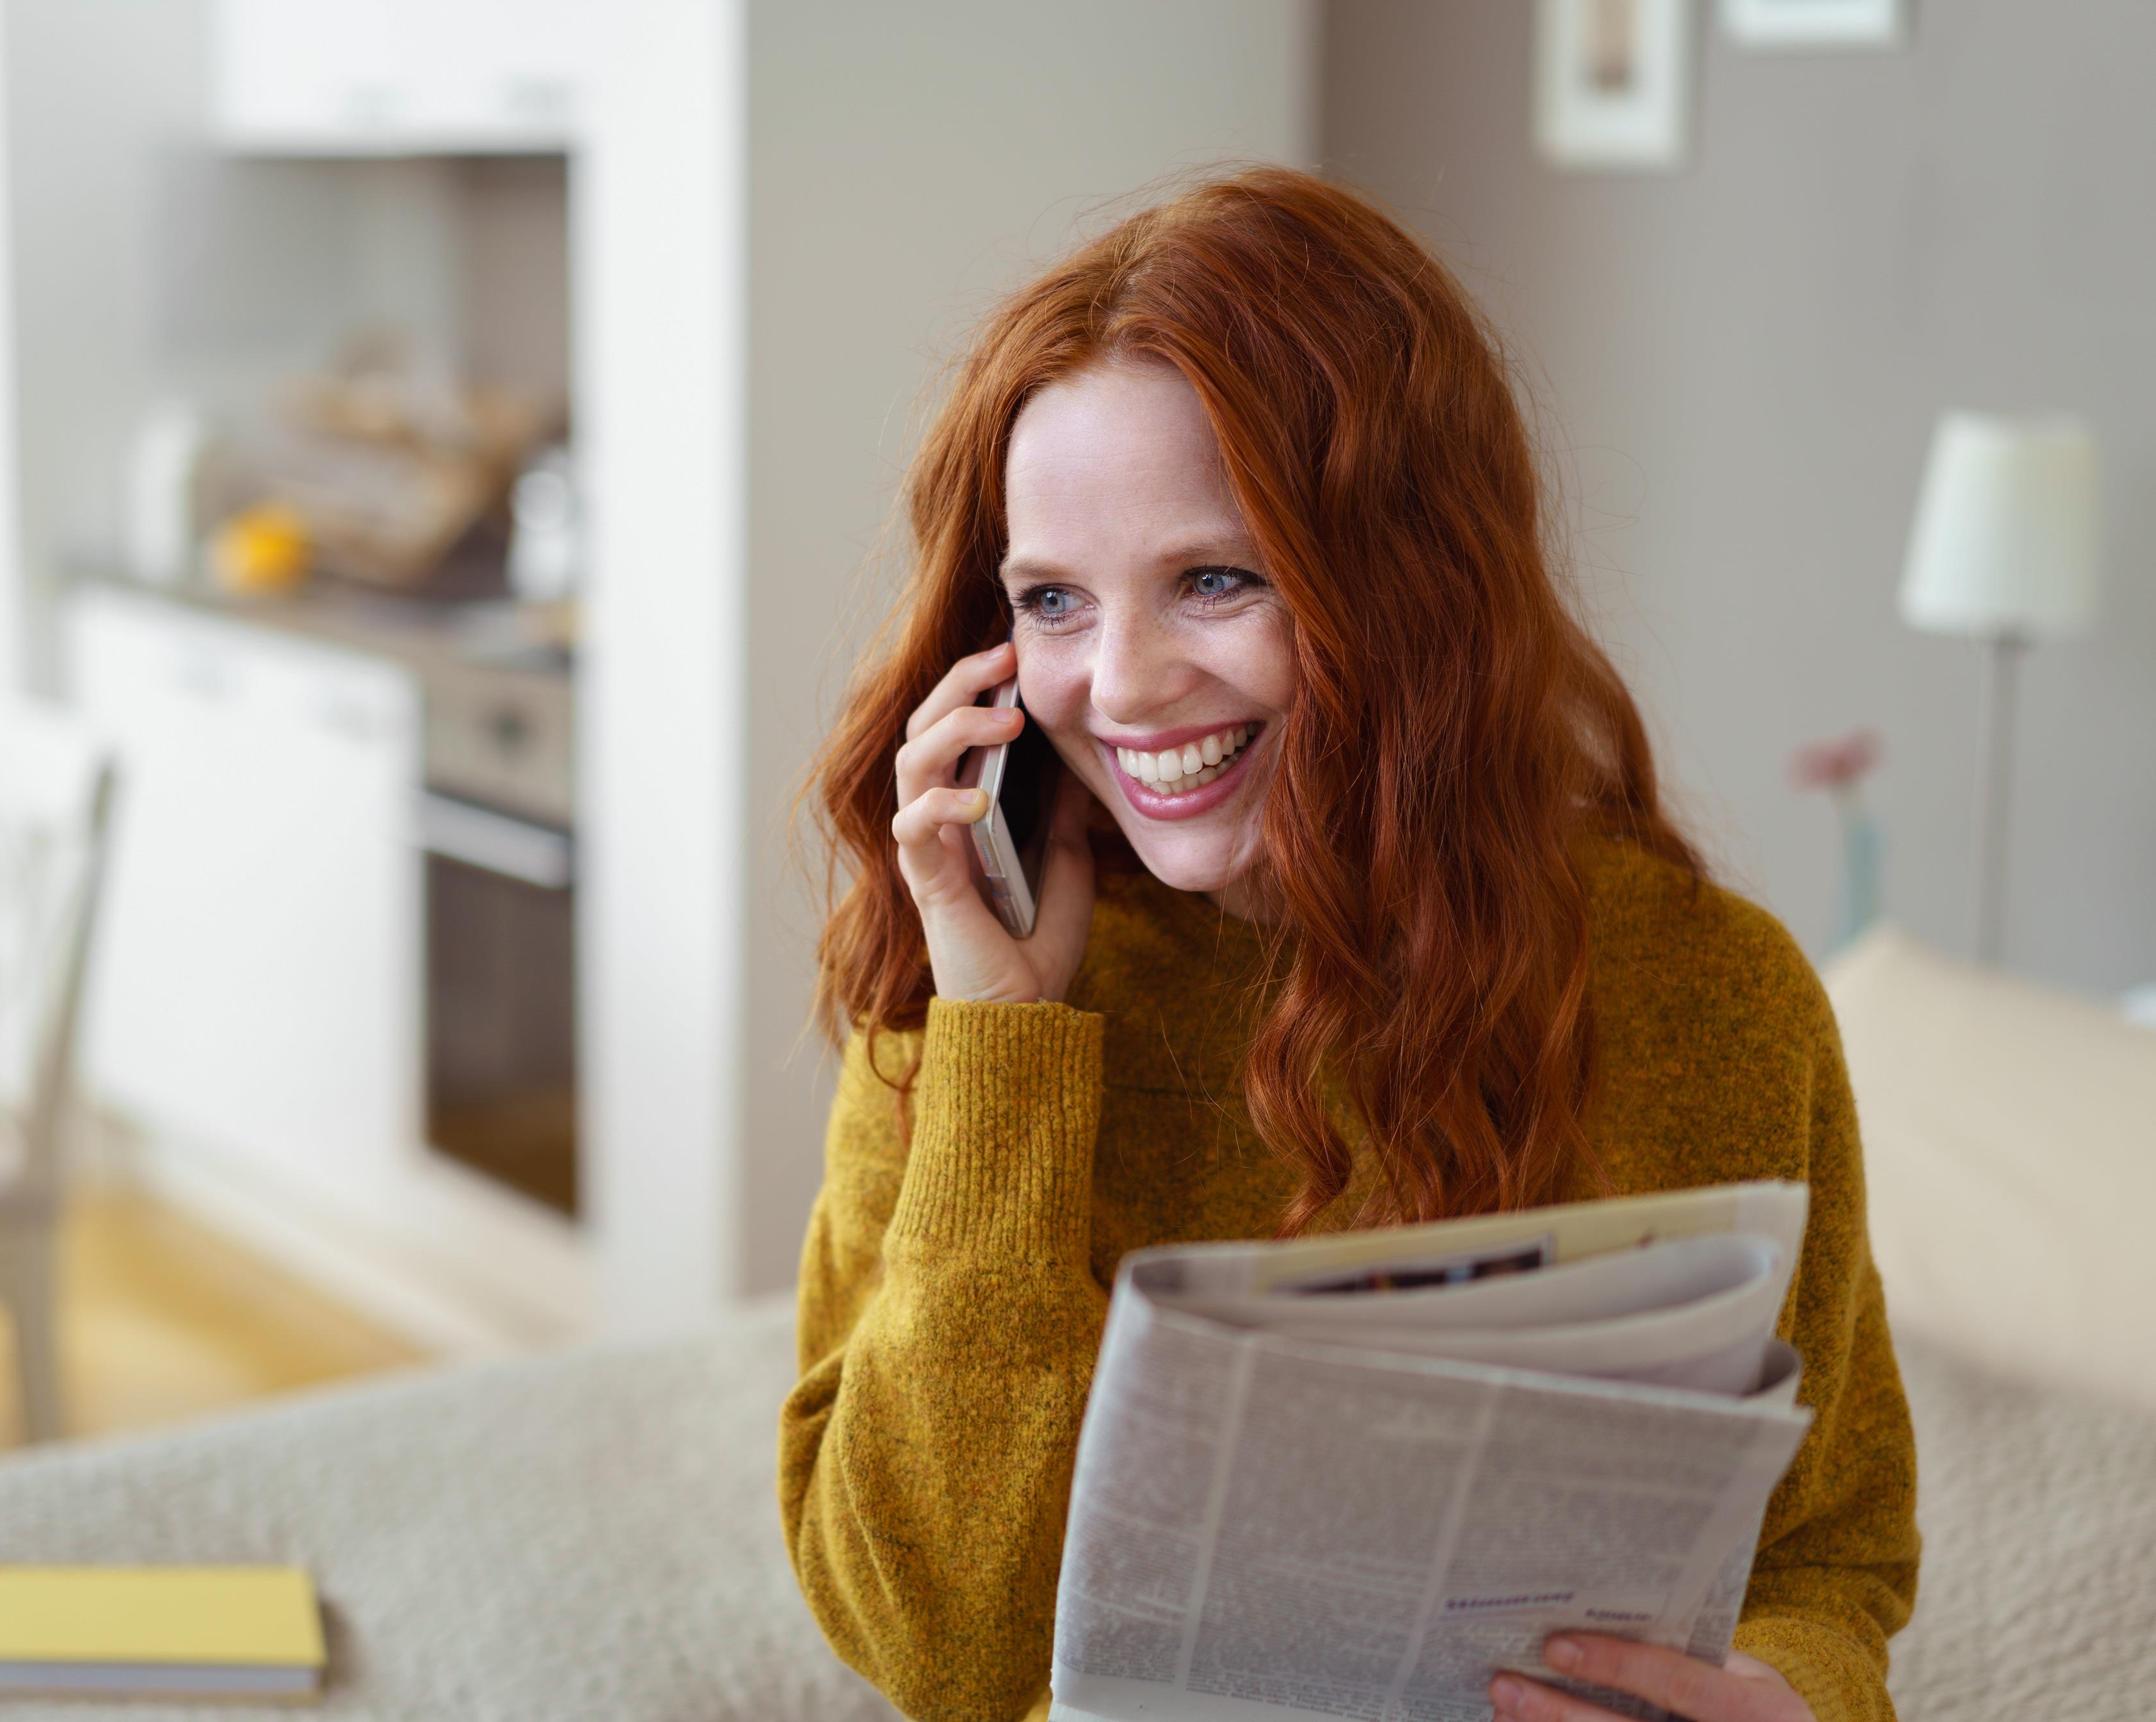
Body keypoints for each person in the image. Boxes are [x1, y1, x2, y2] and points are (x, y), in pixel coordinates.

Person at [778, 168, 1916, 1722]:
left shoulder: (1714, 989)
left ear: (1409, 582)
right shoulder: (968, 983)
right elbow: (935, 1648)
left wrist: (1791, 1702)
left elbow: (1828, 1554)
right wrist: (998, 1053)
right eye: (1051, 600)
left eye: (1215, 578)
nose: (1119, 683)